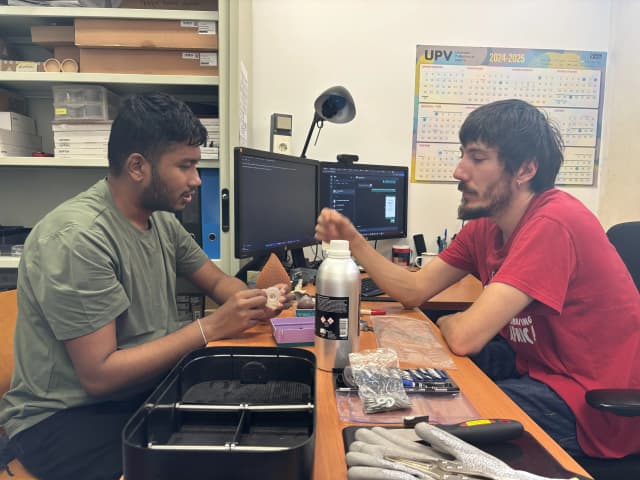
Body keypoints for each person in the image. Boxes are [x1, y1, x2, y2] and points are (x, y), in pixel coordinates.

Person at [315, 98, 640, 461]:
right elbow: (414, 290)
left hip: (591, 406)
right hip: (538, 370)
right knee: (385, 391)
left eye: (478, 158)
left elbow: (467, 337)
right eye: (462, 155)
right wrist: (355, 243)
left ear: (525, 169)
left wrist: (453, 322)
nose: (459, 170)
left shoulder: (553, 223)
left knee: (420, 429)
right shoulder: (485, 226)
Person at [0, 93, 292, 480]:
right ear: (137, 166)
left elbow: (217, 281)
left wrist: (255, 302)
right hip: (65, 419)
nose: (195, 180)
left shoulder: (161, 221)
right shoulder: (79, 238)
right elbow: (100, 375)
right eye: (185, 166)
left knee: (268, 421)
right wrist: (211, 327)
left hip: (140, 390)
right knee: (213, 463)